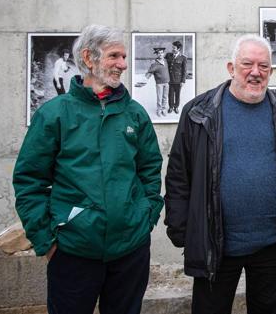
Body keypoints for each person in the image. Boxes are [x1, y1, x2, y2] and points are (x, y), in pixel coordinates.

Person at [13, 24, 163, 314]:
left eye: (123, 57)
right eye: (115, 56)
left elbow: (150, 171)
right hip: (72, 250)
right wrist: (47, 239)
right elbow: (29, 180)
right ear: (89, 57)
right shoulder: (54, 114)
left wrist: (145, 218)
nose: (123, 64)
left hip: (130, 249)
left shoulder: (134, 114)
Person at [164, 35, 276, 314]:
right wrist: (182, 228)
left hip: (273, 245)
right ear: (231, 68)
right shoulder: (198, 112)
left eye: (263, 66)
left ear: (271, 71)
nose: (255, 72)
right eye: (247, 64)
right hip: (215, 243)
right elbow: (179, 175)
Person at [145, 47, 170, 117]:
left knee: (165, 97)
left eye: (162, 53)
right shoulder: (154, 64)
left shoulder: (166, 61)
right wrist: (145, 79)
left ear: (163, 53)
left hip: (167, 82)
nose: (160, 54)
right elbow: (149, 72)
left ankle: (163, 109)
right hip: (159, 84)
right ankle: (159, 110)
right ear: (157, 54)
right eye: (159, 53)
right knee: (159, 97)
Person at [165, 40, 187, 114]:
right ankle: (171, 107)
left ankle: (176, 107)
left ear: (178, 49)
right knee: (170, 94)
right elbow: (163, 63)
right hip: (170, 79)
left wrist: (183, 81)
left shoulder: (183, 58)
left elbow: (184, 70)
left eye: (174, 48)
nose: (172, 49)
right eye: (172, 47)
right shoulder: (168, 55)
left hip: (178, 80)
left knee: (177, 94)